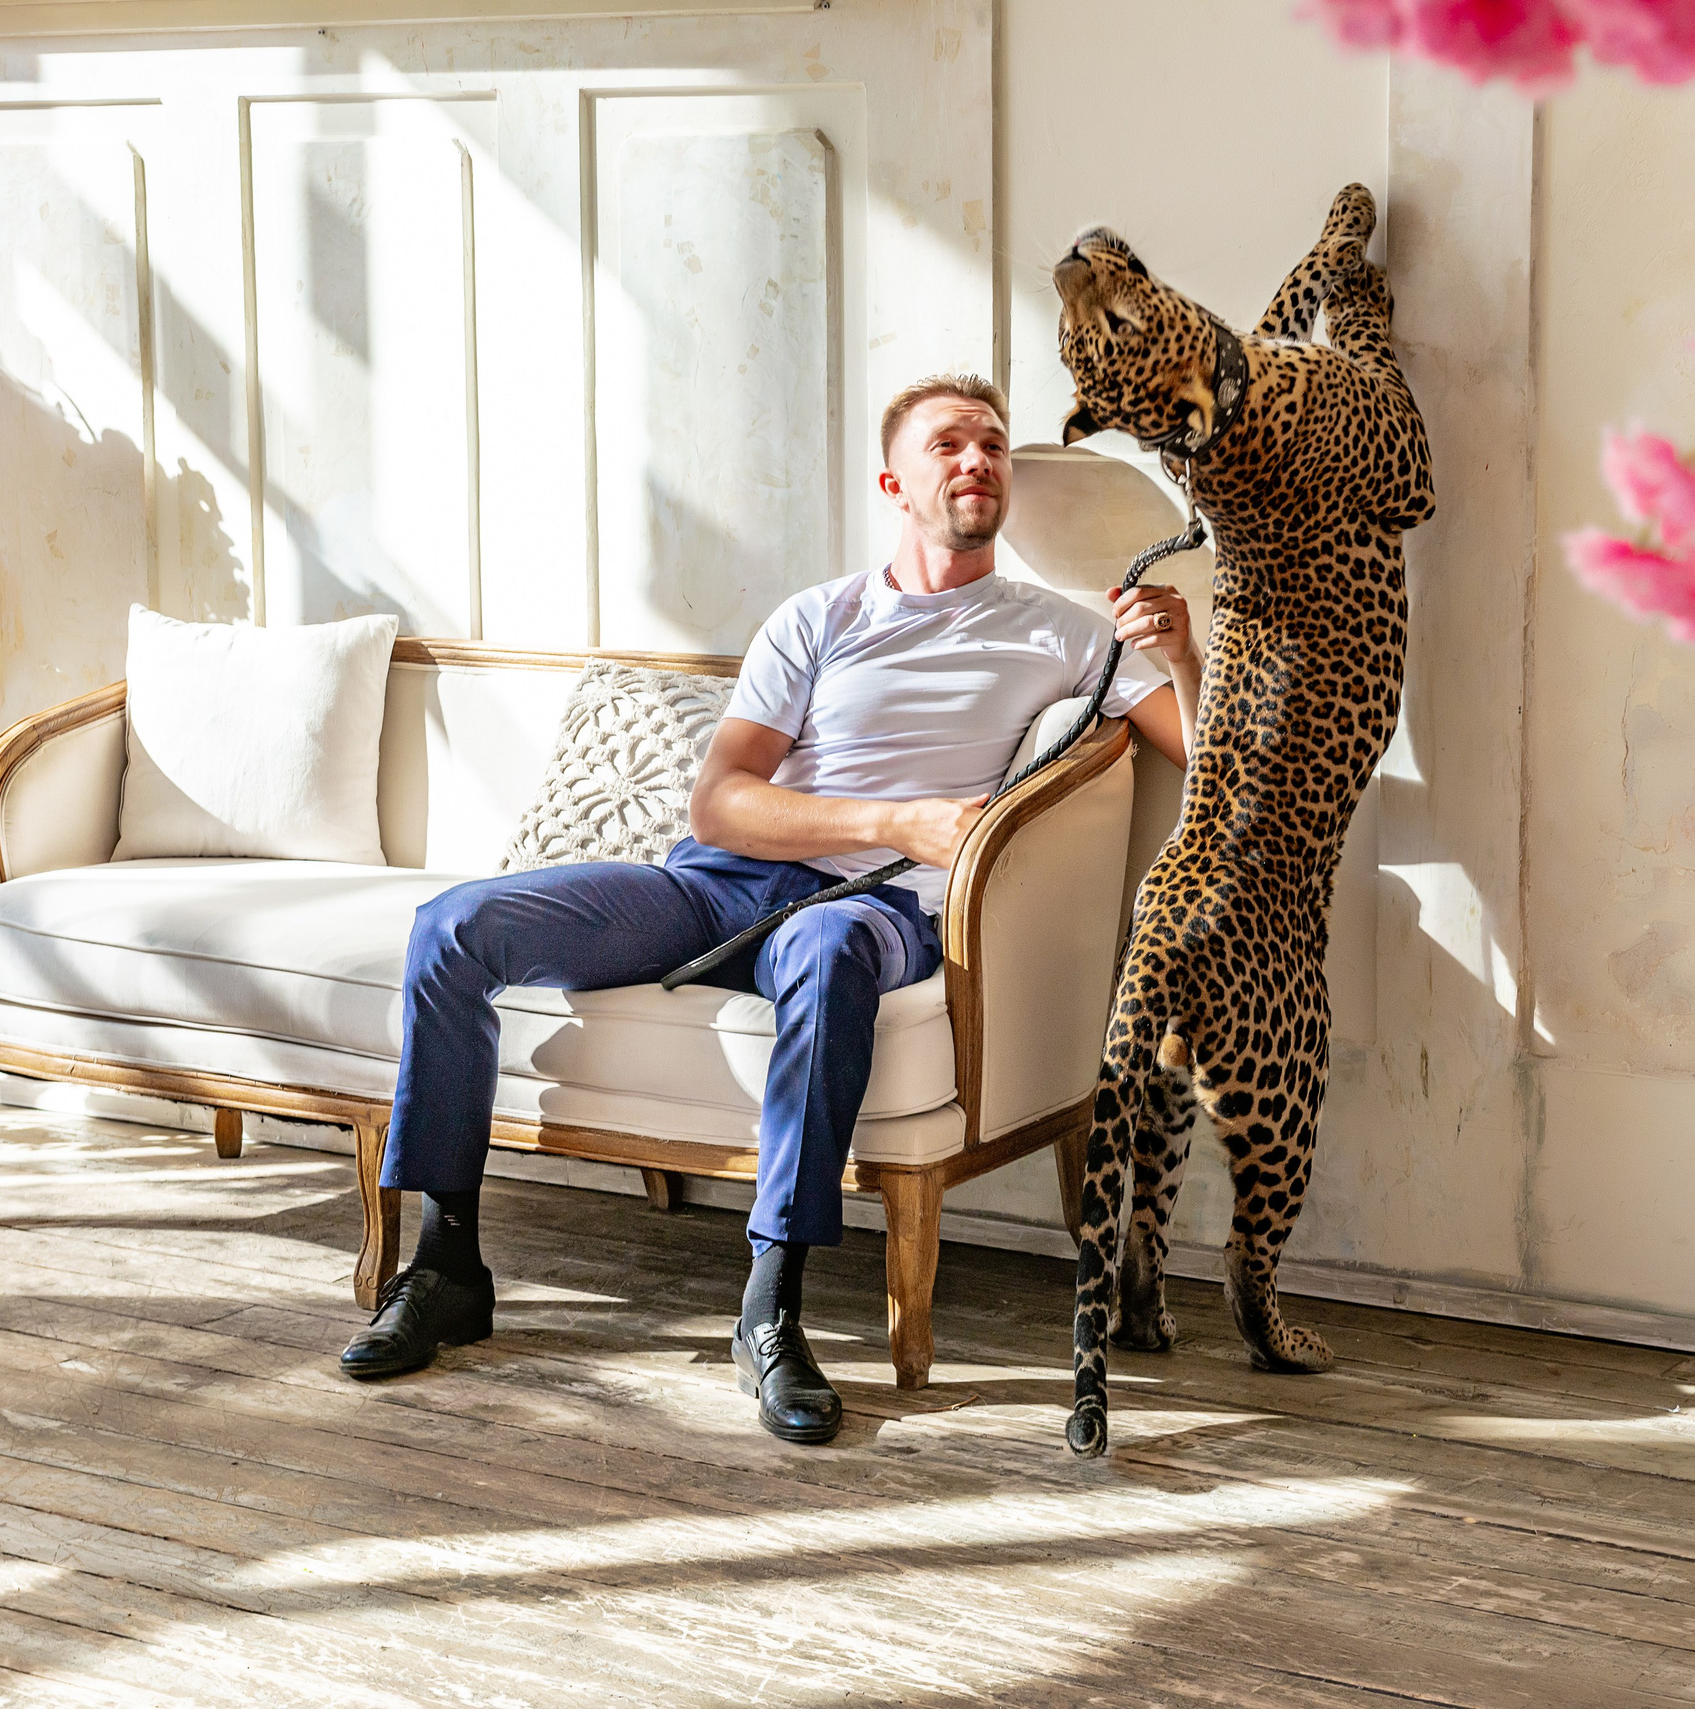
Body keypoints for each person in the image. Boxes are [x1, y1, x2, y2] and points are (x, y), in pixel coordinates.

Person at [340, 372, 1203, 1444]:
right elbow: (721, 800)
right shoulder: (820, 615)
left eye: (991, 444)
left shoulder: (1062, 633)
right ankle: (446, 1261)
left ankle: (770, 1308)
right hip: (718, 883)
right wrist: (898, 817)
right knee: (455, 926)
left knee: (829, 944)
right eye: (948, 444)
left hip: (877, 909)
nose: (977, 458)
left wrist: (1180, 650)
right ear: (896, 480)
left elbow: (1209, 768)